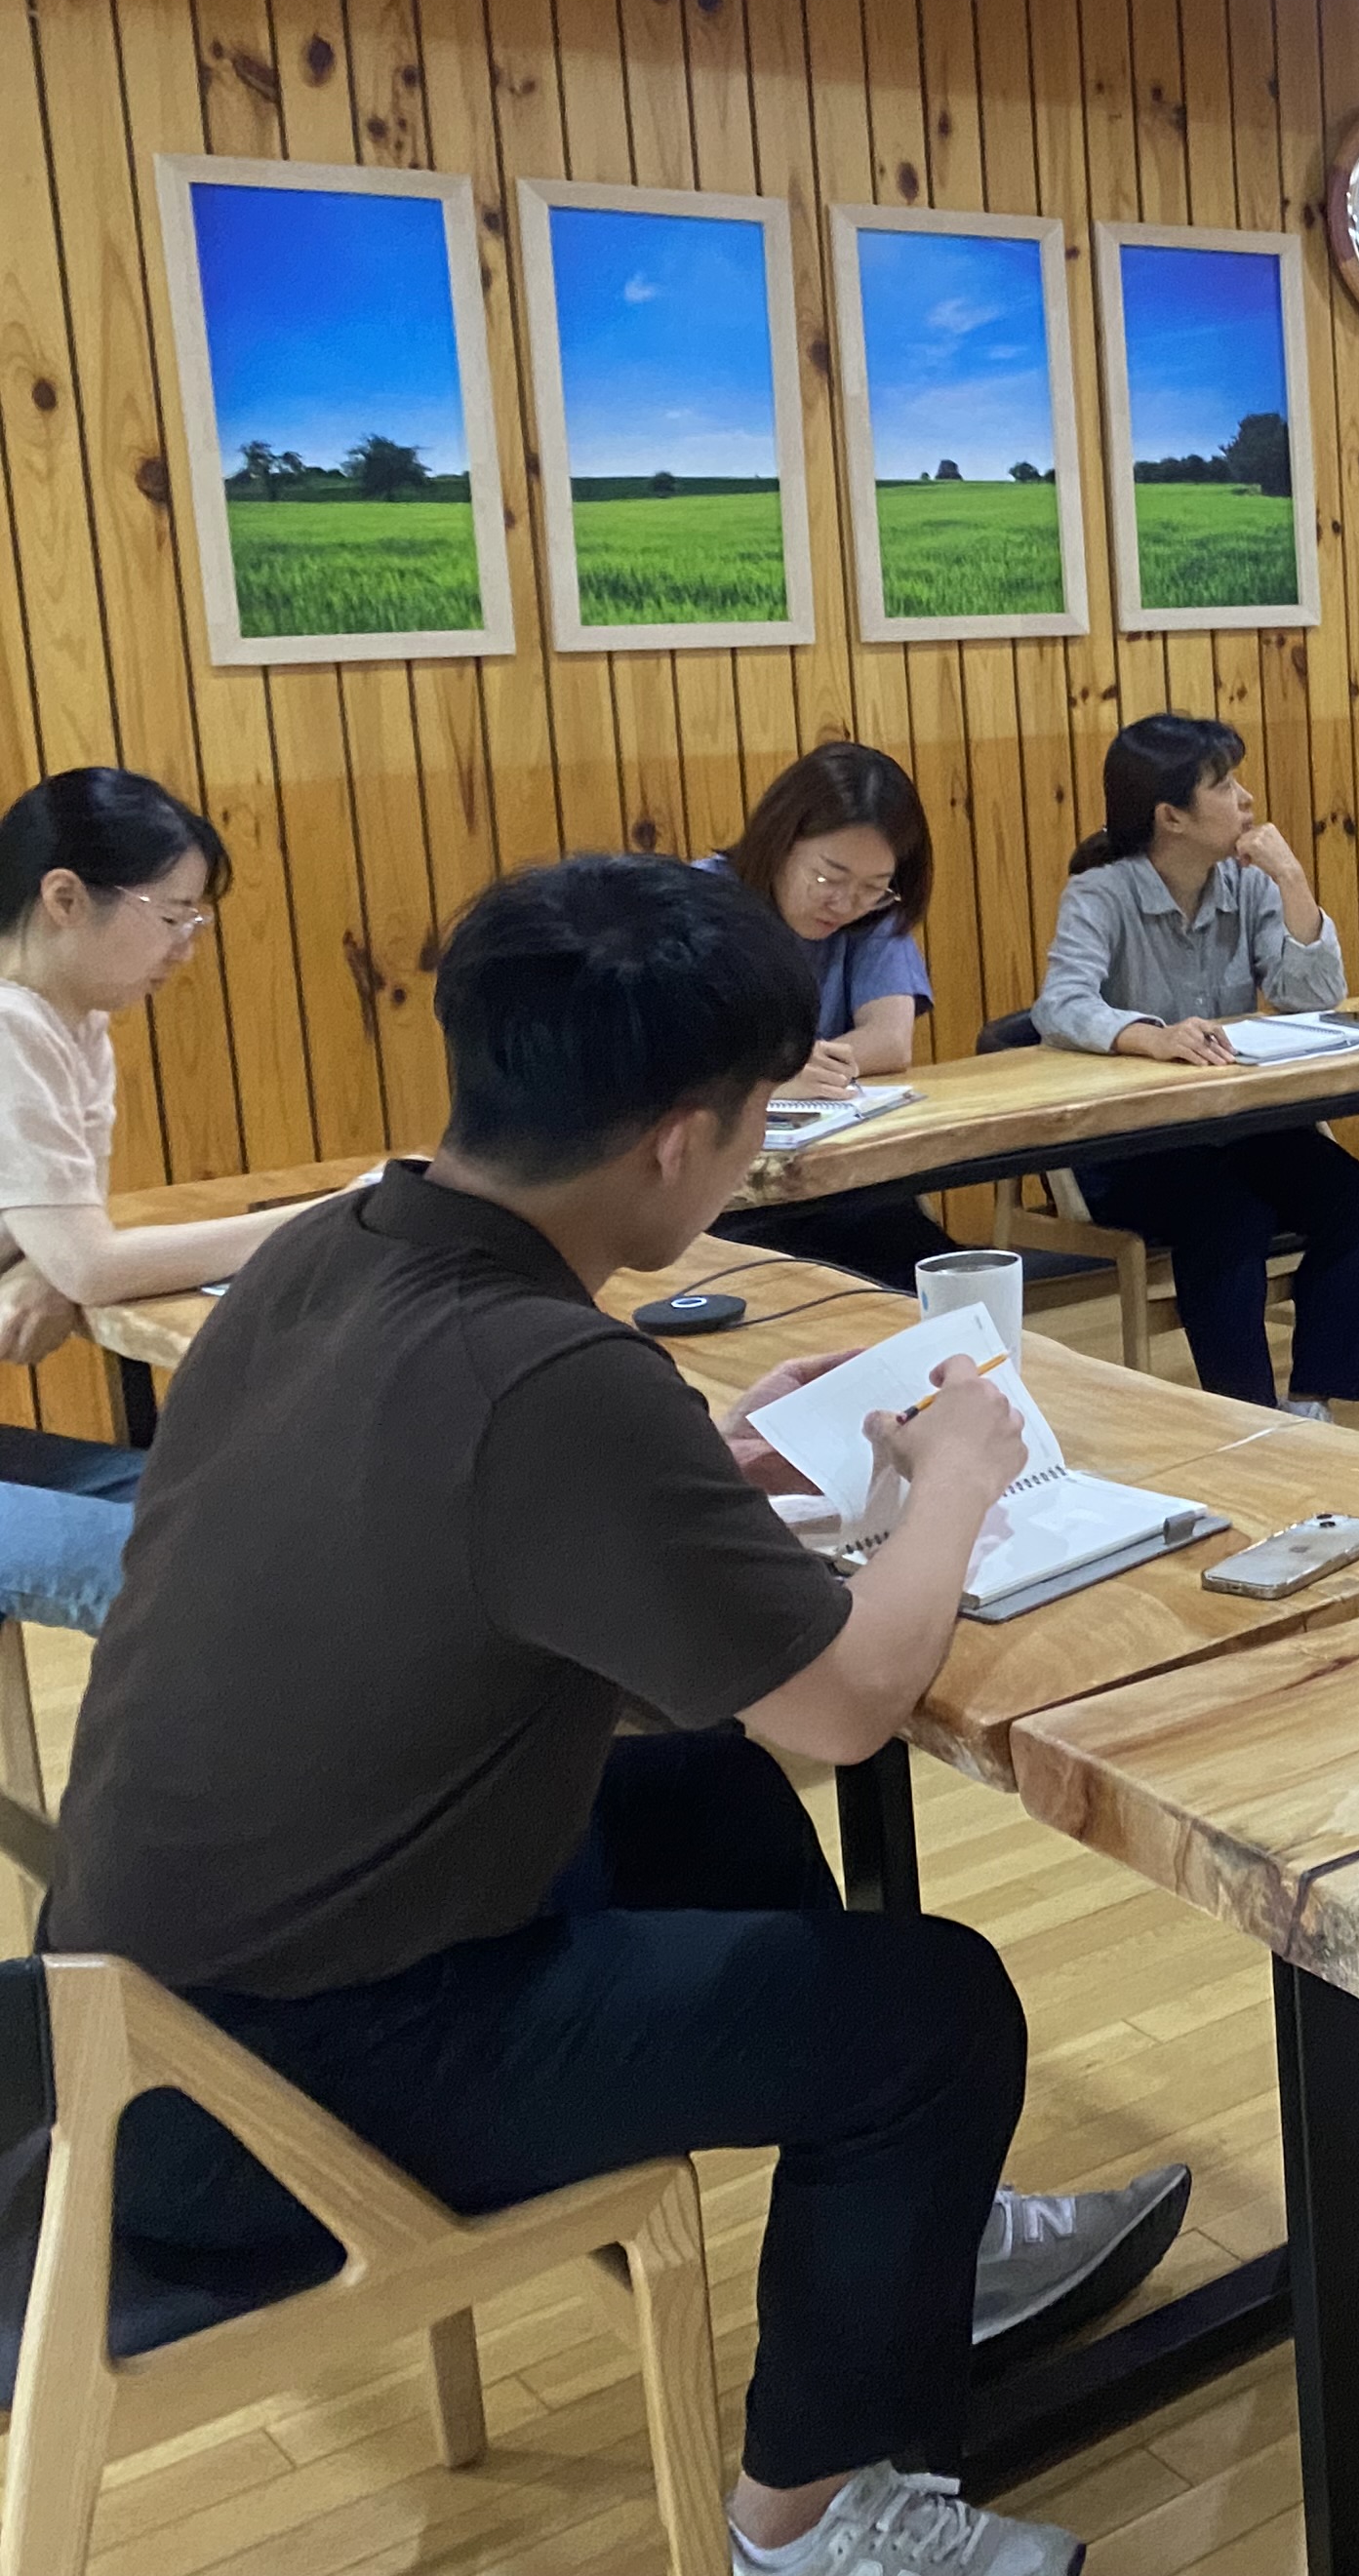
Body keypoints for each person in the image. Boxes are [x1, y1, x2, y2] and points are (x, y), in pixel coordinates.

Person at [46, 855, 1184, 2576]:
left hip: (128, 2006)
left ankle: (910, 2242)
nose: (747, 1162)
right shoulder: (553, 1379)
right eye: (753, 1127)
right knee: (934, 2008)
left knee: (705, 1794)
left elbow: (457, 1540)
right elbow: (852, 1705)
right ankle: (807, 2524)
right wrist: (952, 1477)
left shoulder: (324, 1253)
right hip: (260, 2092)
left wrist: (700, 1475)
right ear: (677, 1138)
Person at [0, 771, 351, 1642]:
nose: (187, 947)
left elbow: (69, 1247)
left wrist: (64, 1266)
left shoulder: (71, 1023)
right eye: (172, 916)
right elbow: (90, 1260)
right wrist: (324, 1214)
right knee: (202, 1572)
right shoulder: (11, 1027)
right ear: (65, 897)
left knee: (241, 1519)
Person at [1034, 713, 1359, 1421]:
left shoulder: (1247, 884)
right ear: (1171, 816)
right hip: (1137, 1143)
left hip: (1235, 1123)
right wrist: (1147, 1036)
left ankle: (1310, 1402)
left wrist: (1291, 880)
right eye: (1224, 785)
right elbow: (1059, 1005)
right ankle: (1248, 1419)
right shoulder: (1101, 893)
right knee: (1229, 1219)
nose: (1246, 798)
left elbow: (1312, 997)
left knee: (1355, 1201)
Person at [703, 739, 954, 1288]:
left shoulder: (872, 915)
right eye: (829, 877)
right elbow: (661, 1057)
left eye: (871, 887)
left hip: (845, 1180)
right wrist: (773, 1074)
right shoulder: (699, 905)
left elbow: (890, 1042)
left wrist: (796, 1071)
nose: (843, 904)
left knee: (943, 1280)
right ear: (781, 841)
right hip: (720, 1200)